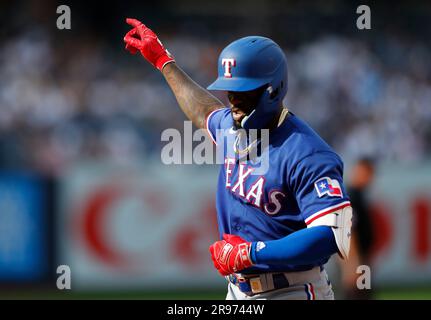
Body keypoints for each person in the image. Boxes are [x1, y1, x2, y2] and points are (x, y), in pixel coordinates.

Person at [123, 18, 353, 300]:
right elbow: (203, 110)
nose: (233, 101)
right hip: (238, 291)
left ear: (272, 90)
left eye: (243, 93)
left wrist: (250, 253)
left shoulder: (307, 152)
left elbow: (331, 236)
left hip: (292, 289)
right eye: (230, 92)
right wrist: (163, 61)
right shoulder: (235, 128)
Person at [341, 158, 376, 299]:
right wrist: (353, 263)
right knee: (359, 293)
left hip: (361, 257)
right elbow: (350, 231)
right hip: (356, 259)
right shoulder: (352, 196)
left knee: (364, 292)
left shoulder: (359, 195)